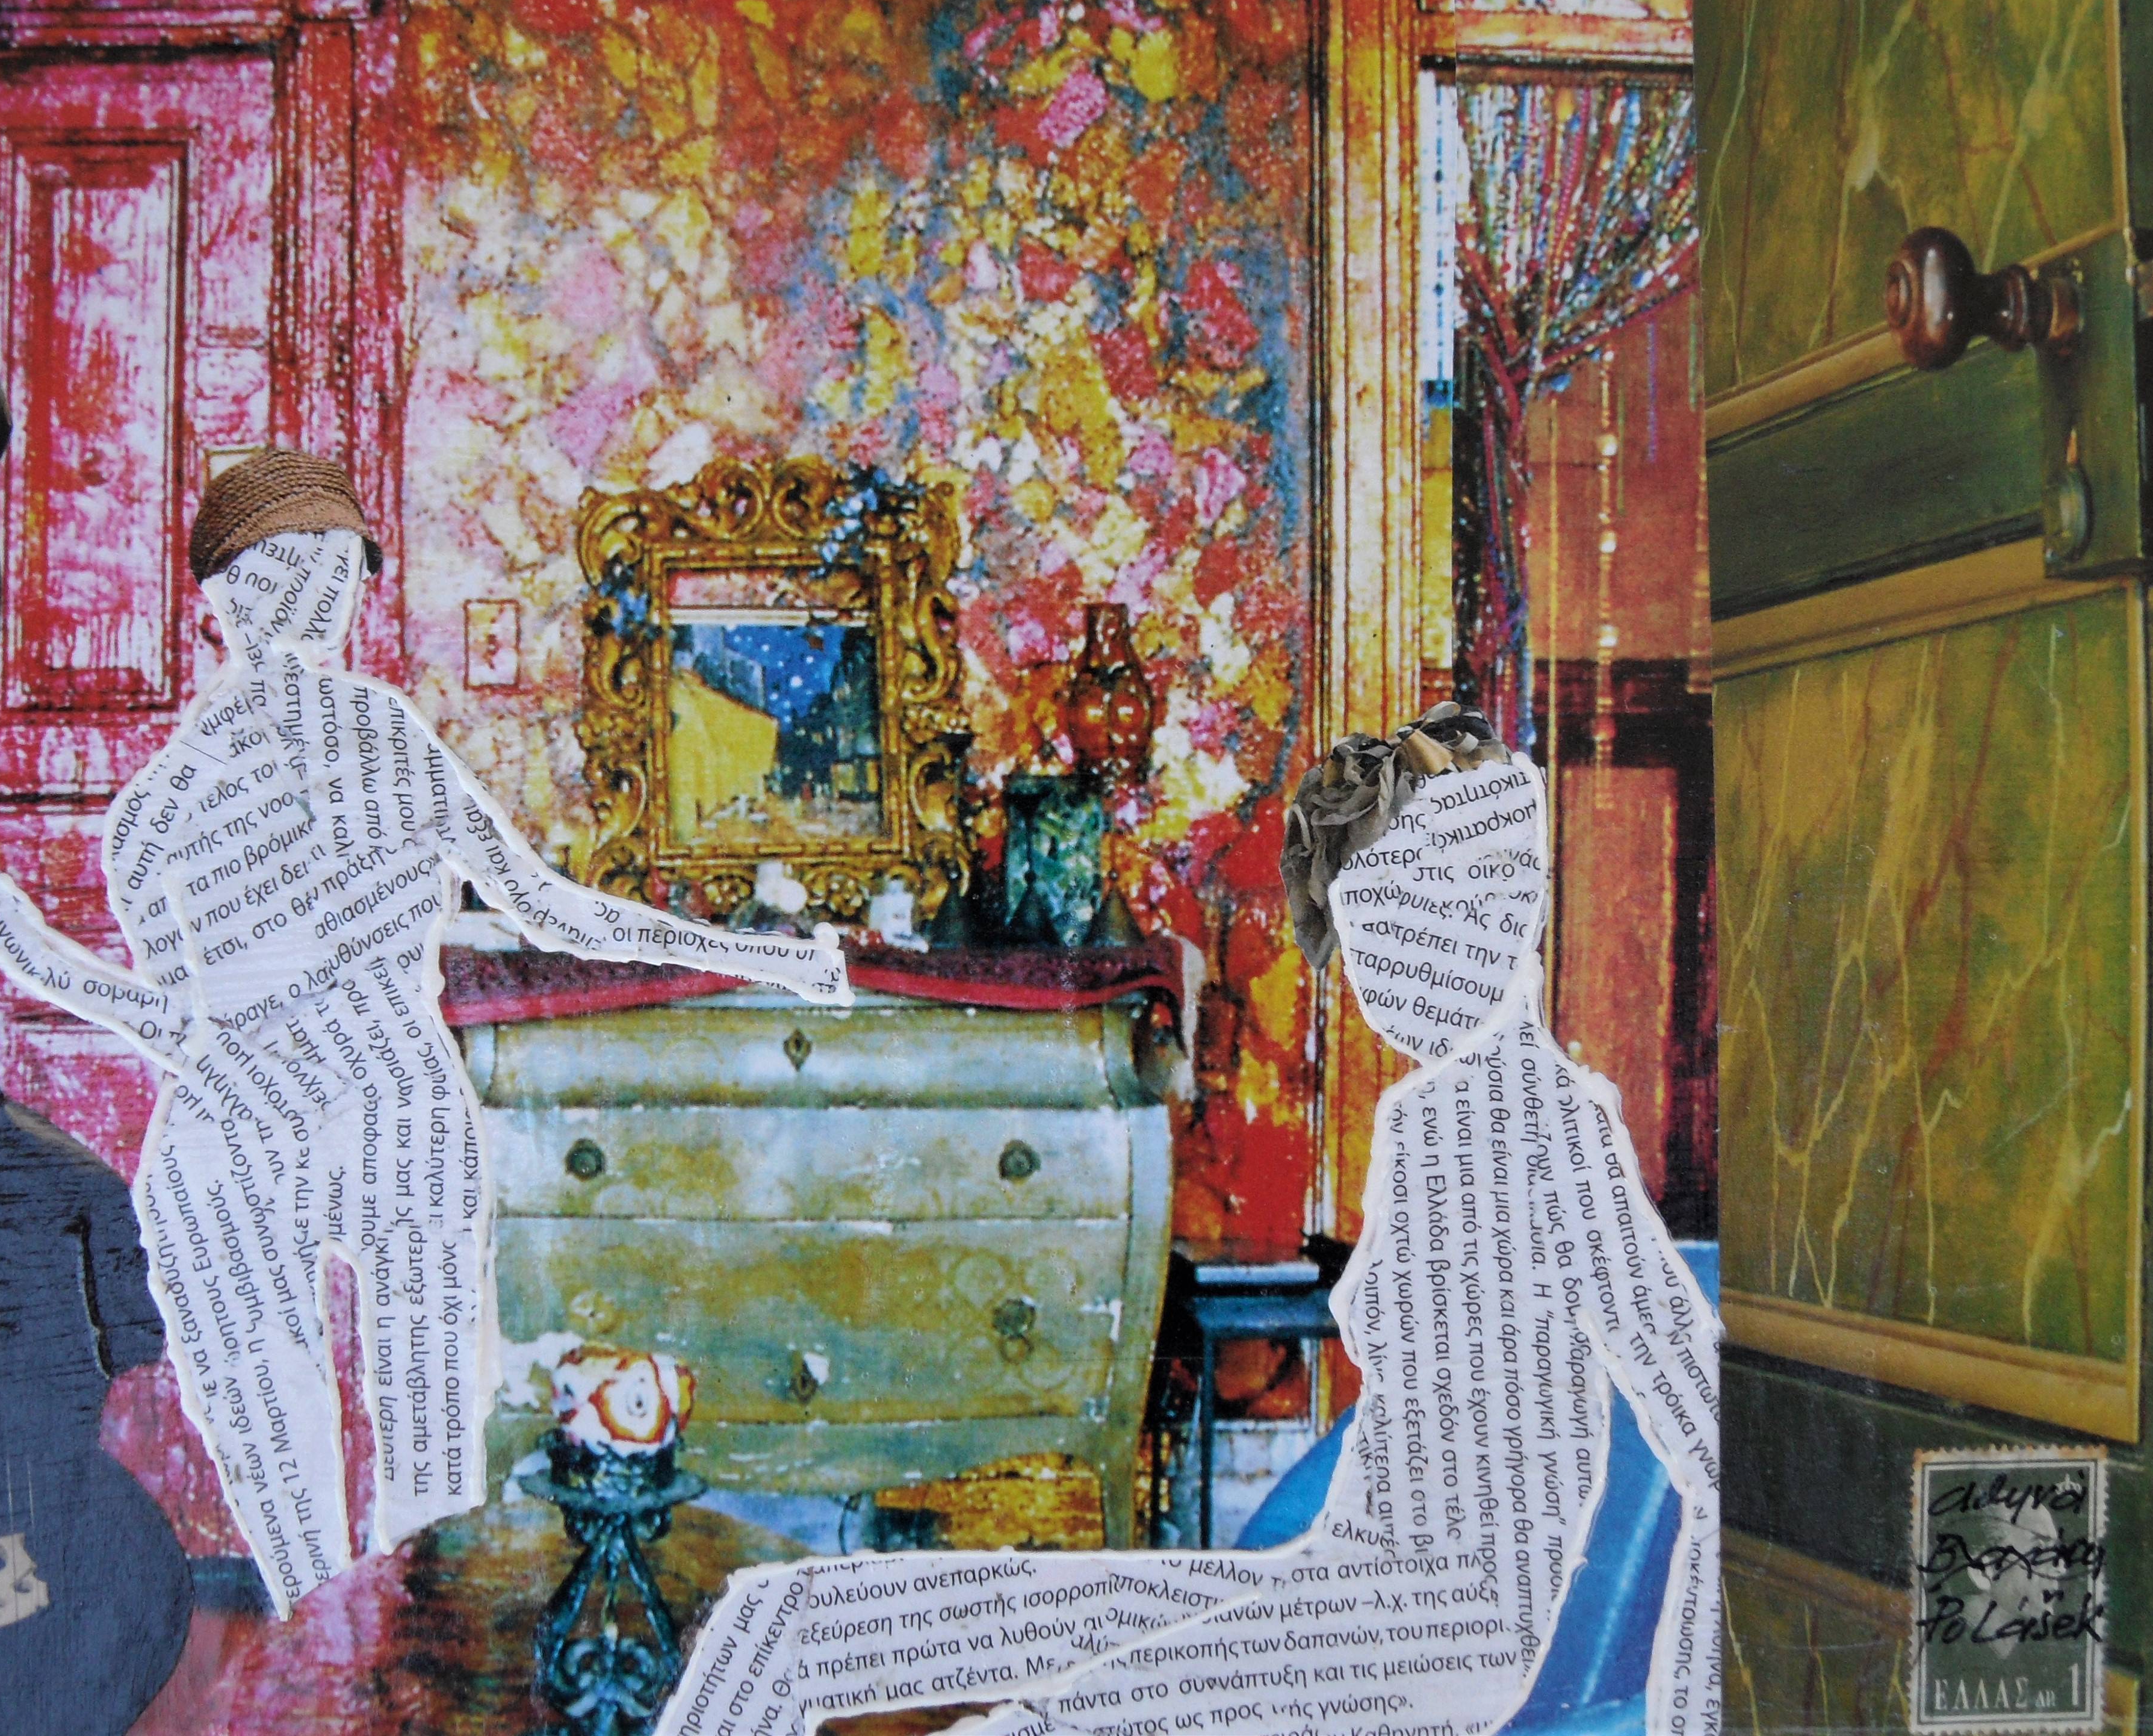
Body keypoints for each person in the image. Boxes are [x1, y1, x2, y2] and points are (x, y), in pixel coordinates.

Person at [652, 707, 1719, 1736]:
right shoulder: (1426, 1117)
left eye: (1401, 924)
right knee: (783, 1622)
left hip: (1425, 1646)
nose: (1372, 968)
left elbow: (1711, 1425)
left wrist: (1693, 1705)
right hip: (1331, 1586)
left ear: (1496, 915)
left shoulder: (1552, 1129)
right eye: (1363, 928)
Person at [0, 450, 849, 1617]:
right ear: (224, 596)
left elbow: (543, 910)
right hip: (278, 1125)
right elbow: (193, 1027)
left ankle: (384, 1642)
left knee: (417, 1472)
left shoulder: (324, 761)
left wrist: (760, 956)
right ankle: (339, 1641)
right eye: (288, 572)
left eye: (331, 572)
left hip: (367, 1112)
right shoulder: (177, 810)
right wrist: (15, 940)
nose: (314, 598)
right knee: (317, 1471)